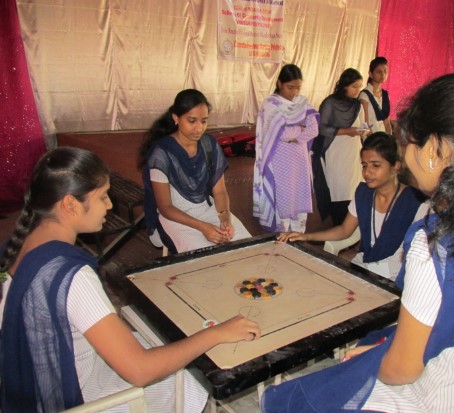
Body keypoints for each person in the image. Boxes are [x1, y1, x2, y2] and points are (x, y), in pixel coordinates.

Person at [261, 73, 454, 412]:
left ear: (434, 149)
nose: (406, 154)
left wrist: (378, 356)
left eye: (407, 141)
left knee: (310, 395)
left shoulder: (437, 247)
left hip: (440, 398)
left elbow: (401, 370)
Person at [0, 147, 261, 413]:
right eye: (102, 197)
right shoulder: (73, 277)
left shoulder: (21, 246)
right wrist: (218, 332)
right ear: (69, 204)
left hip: (35, 381)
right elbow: (140, 371)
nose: (110, 205)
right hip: (78, 396)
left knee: (158, 339)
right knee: (191, 374)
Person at [279, 132, 427, 281]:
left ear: (395, 167)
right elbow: (344, 230)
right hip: (365, 265)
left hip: (397, 276)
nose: (367, 172)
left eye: (376, 165)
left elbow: (422, 257)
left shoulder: (416, 203)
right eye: (364, 165)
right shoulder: (364, 194)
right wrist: (306, 236)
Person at [138, 89, 251, 254]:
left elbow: (219, 191)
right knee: (205, 258)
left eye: (204, 121)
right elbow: (165, 207)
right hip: (176, 218)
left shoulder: (209, 144)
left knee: (246, 247)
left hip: (207, 209)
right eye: (192, 121)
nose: (199, 128)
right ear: (176, 118)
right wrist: (204, 228)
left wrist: (225, 217)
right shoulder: (161, 153)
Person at [253, 64, 320, 233]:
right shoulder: (270, 104)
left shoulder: (303, 102)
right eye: (290, 87)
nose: (294, 92)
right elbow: (280, 133)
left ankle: (298, 238)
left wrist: (295, 136)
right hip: (280, 161)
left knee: (300, 200)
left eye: (298, 88)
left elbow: (314, 129)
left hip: (300, 161)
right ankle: (282, 239)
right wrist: (300, 128)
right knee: (283, 199)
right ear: (279, 83)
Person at [312, 68, 368, 226]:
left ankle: (350, 228)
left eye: (359, 86)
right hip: (335, 151)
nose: (358, 90)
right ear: (345, 85)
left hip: (353, 152)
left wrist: (363, 131)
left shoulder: (358, 106)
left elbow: (362, 126)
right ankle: (338, 226)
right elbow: (321, 128)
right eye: (354, 86)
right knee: (338, 188)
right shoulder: (330, 103)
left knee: (353, 189)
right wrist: (346, 131)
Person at [359, 57, 392, 135]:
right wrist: (374, 141)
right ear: (370, 74)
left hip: (383, 138)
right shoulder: (364, 95)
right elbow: (363, 124)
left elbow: (387, 122)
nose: (383, 74)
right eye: (379, 72)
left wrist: (389, 138)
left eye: (385, 71)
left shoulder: (385, 94)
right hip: (370, 140)